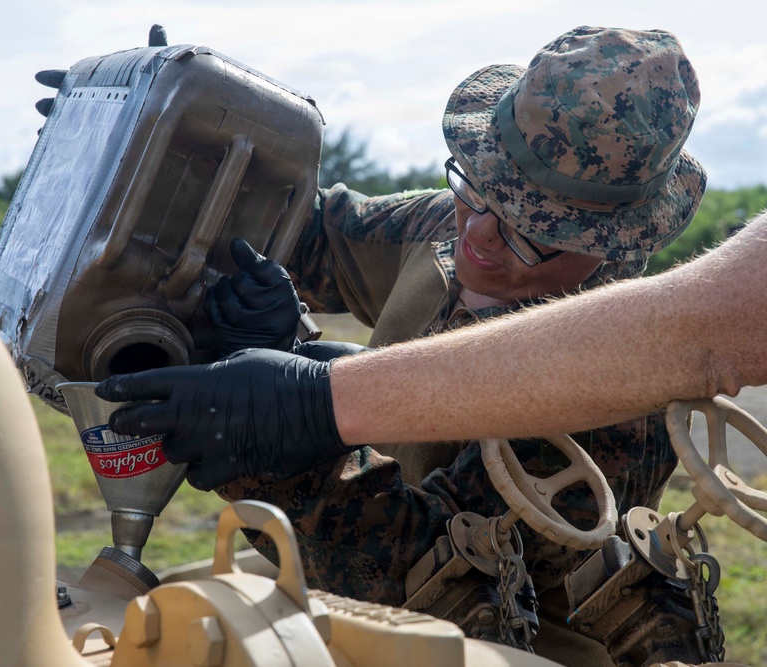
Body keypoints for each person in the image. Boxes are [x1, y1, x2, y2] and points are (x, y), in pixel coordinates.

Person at [98, 26, 709, 663]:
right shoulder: (454, 222)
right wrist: (153, 147)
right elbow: (298, 230)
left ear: (612, 240)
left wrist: (274, 442)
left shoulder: (621, 388)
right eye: (477, 187)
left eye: (535, 230)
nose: (481, 237)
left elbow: (422, 576)